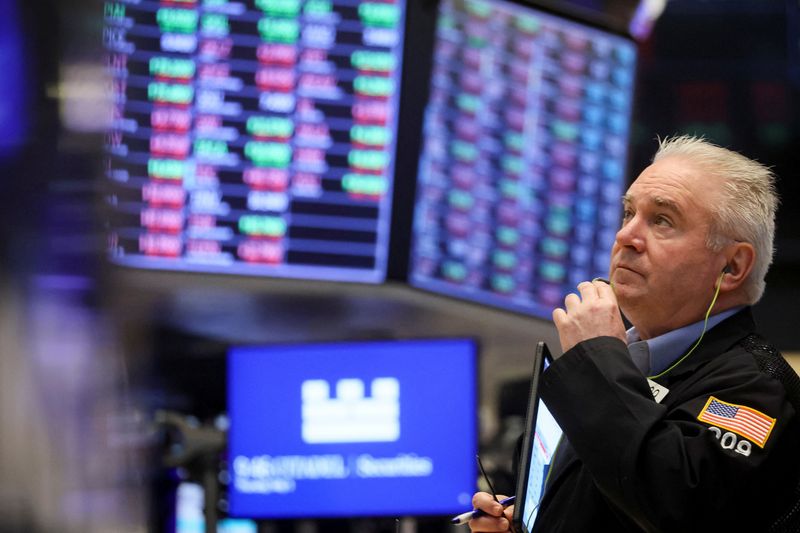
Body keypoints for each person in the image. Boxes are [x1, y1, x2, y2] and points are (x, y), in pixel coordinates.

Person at [469, 135, 800, 532]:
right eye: (629, 213)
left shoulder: (758, 388)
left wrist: (596, 358)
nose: (626, 236)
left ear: (731, 267)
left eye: (662, 220)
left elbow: (675, 505)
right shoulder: (628, 365)